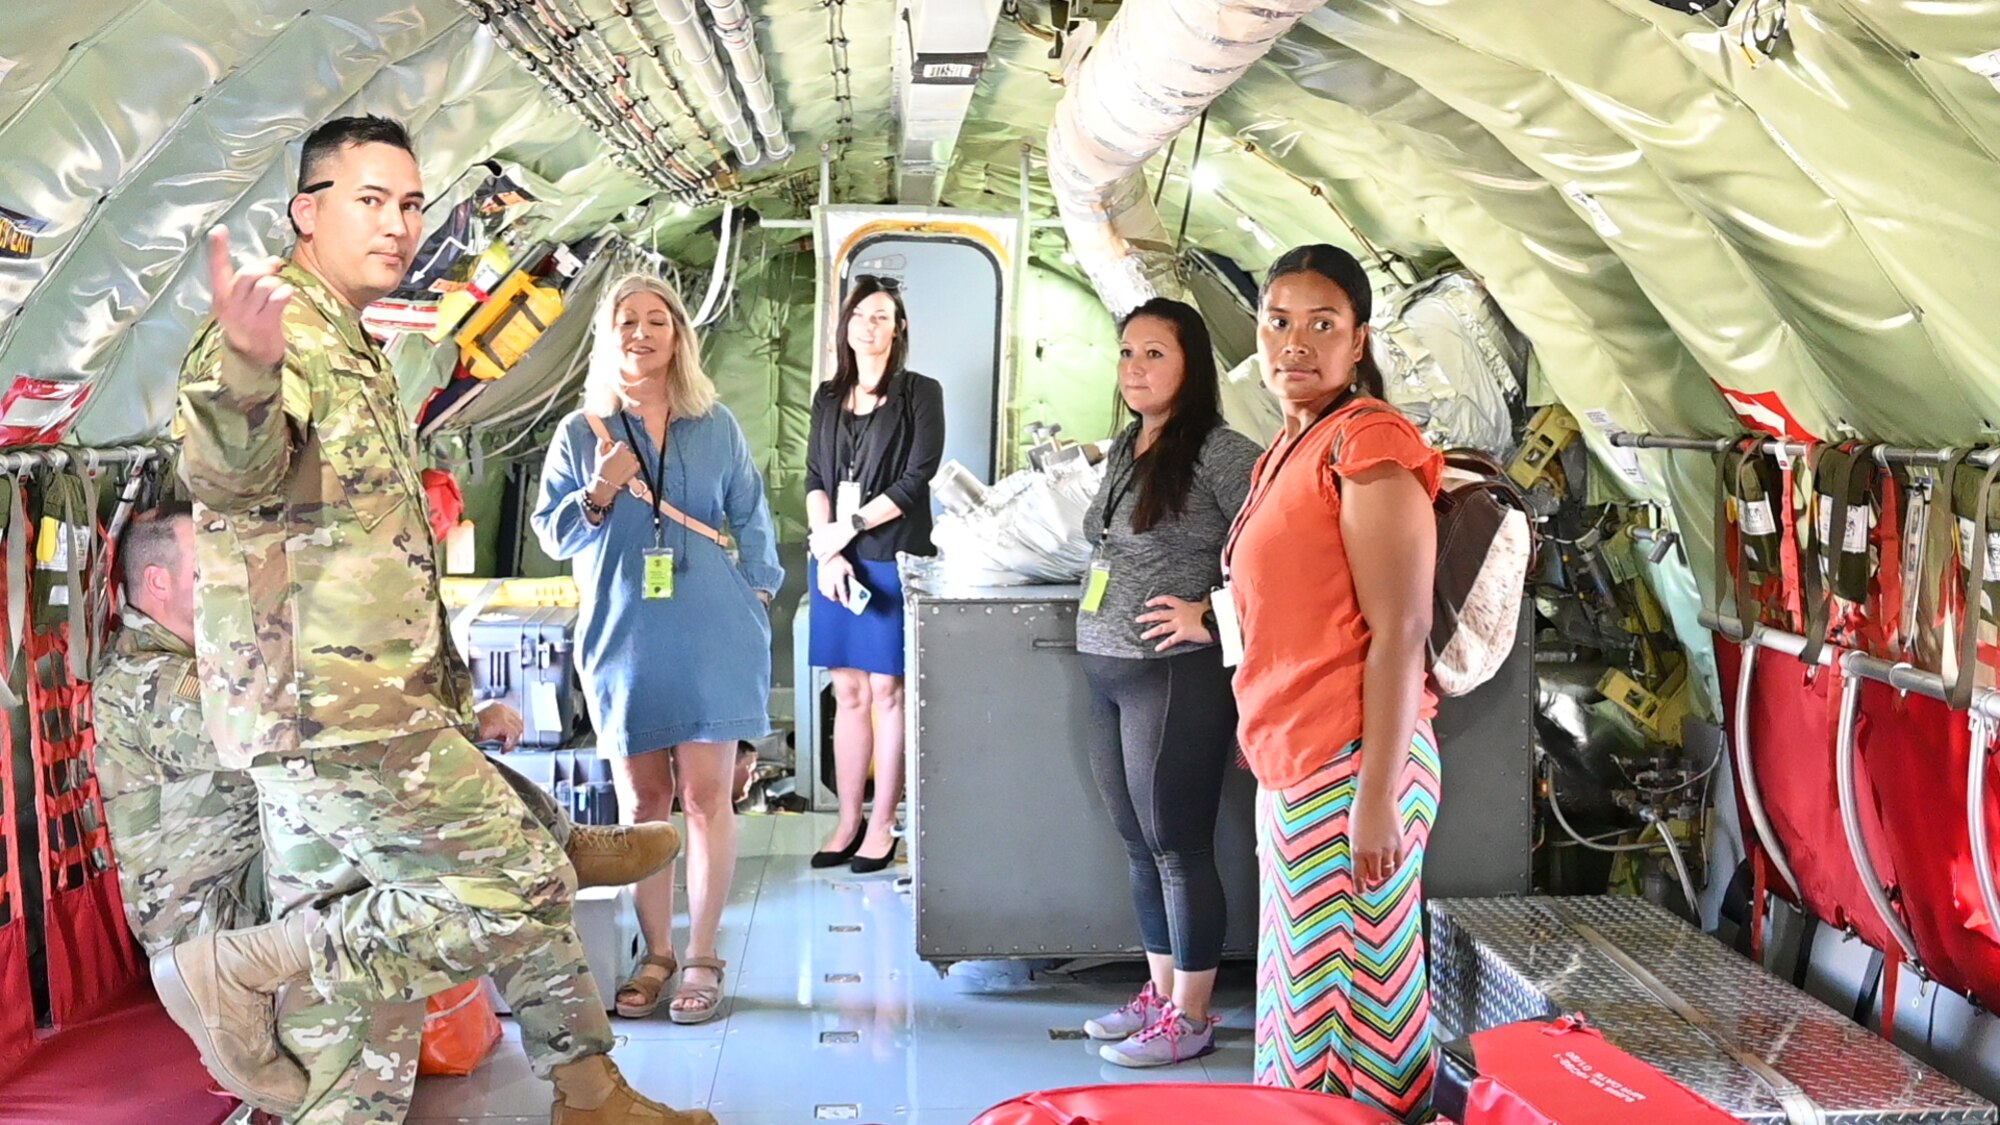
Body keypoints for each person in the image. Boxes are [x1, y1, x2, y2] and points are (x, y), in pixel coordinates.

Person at [168, 114, 713, 1125]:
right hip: (326, 712)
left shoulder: (356, 340)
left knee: (358, 1030)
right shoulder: (275, 329)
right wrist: (241, 370)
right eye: (369, 200)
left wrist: (455, 690)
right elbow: (227, 477)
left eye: (411, 203)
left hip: (371, 700)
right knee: (517, 878)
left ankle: (572, 1087)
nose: (397, 224)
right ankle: (243, 967)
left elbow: (378, 549)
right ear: (305, 210)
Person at [96, 503, 680, 1124]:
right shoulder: (145, 684)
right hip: (219, 912)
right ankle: (559, 847)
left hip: (279, 867)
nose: (233, 589)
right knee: (441, 825)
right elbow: (298, 742)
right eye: (210, 574)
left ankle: (588, 1087)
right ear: (158, 583)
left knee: (499, 868)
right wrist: (448, 723)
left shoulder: (225, 665)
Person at [1222, 244, 1444, 1121]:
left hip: (1355, 765)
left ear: (1359, 340)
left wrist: (1377, 798)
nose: (1296, 344)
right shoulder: (1291, 442)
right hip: (1299, 759)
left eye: (1324, 325)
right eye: (1279, 322)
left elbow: (1403, 629)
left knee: (1343, 1017)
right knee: (1309, 1003)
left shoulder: (1368, 442)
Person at [531, 272, 784, 1026]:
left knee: (707, 800)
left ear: (679, 338)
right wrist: (598, 492)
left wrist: (759, 590)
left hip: (712, 629)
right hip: (625, 632)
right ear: (607, 339)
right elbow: (553, 534)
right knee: (645, 804)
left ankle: (703, 951)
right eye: (626, 321)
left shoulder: (717, 424)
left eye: (656, 321)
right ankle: (656, 952)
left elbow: (753, 514)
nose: (641, 333)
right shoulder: (581, 433)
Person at [1073, 298, 1259, 1068]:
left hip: (1173, 676)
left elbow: (1282, 552)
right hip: (1108, 668)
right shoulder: (1129, 442)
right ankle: (1158, 993)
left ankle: (1192, 1013)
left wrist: (1211, 616)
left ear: (1191, 365)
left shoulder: (1223, 451)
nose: (1135, 369)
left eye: (1154, 353)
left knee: (1179, 845)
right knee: (1137, 843)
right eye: (1126, 353)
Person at [802, 275, 945, 874]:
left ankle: (884, 826)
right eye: (862, 314)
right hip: (835, 561)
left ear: (899, 328)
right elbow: (813, 477)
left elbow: (917, 478)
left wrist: (851, 526)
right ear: (847, 325)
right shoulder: (828, 397)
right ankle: (847, 821)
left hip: (891, 554)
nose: (870, 325)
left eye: (883, 316)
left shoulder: (920, 393)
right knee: (848, 691)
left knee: (887, 692)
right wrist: (828, 549)